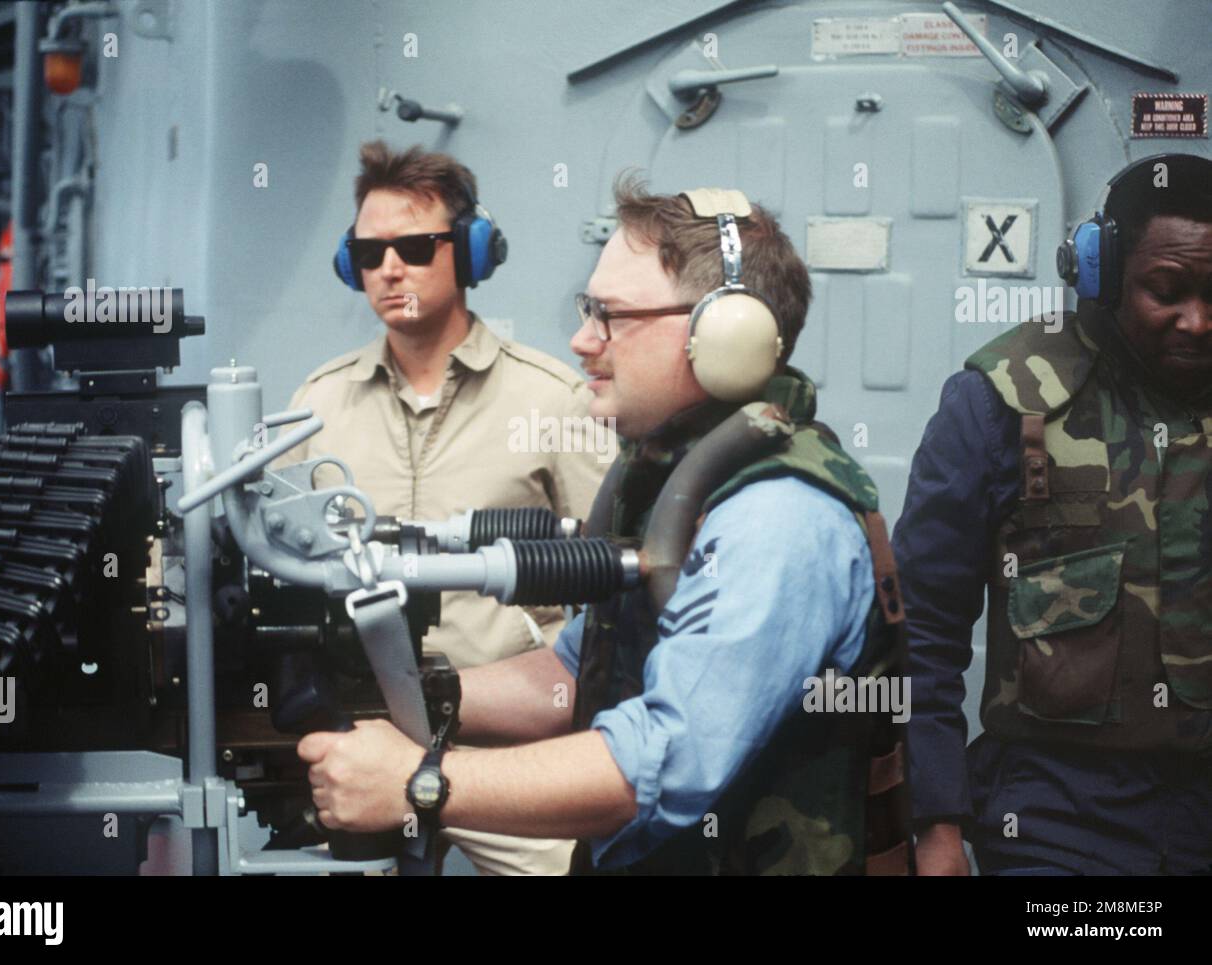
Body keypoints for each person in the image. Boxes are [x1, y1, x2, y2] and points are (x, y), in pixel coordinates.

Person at [297, 176, 912, 875]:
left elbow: (661, 760)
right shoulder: (669, 482)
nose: (582, 339)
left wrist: (419, 780)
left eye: (608, 315)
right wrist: (415, 694)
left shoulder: (778, 518)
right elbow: (574, 676)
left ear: (720, 334)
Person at [276, 140, 609, 875]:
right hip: (360, 748)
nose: (390, 268)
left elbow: (615, 577)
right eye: (370, 252)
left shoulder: (554, 399)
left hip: (517, 758)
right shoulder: (315, 407)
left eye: (417, 246)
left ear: (471, 251)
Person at [898, 153, 1212, 875]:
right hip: (1058, 823)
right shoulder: (999, 403)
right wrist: (936, 822)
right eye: (1167, 291)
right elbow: (923, 630)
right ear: (1099, 274)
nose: (1197, 322)